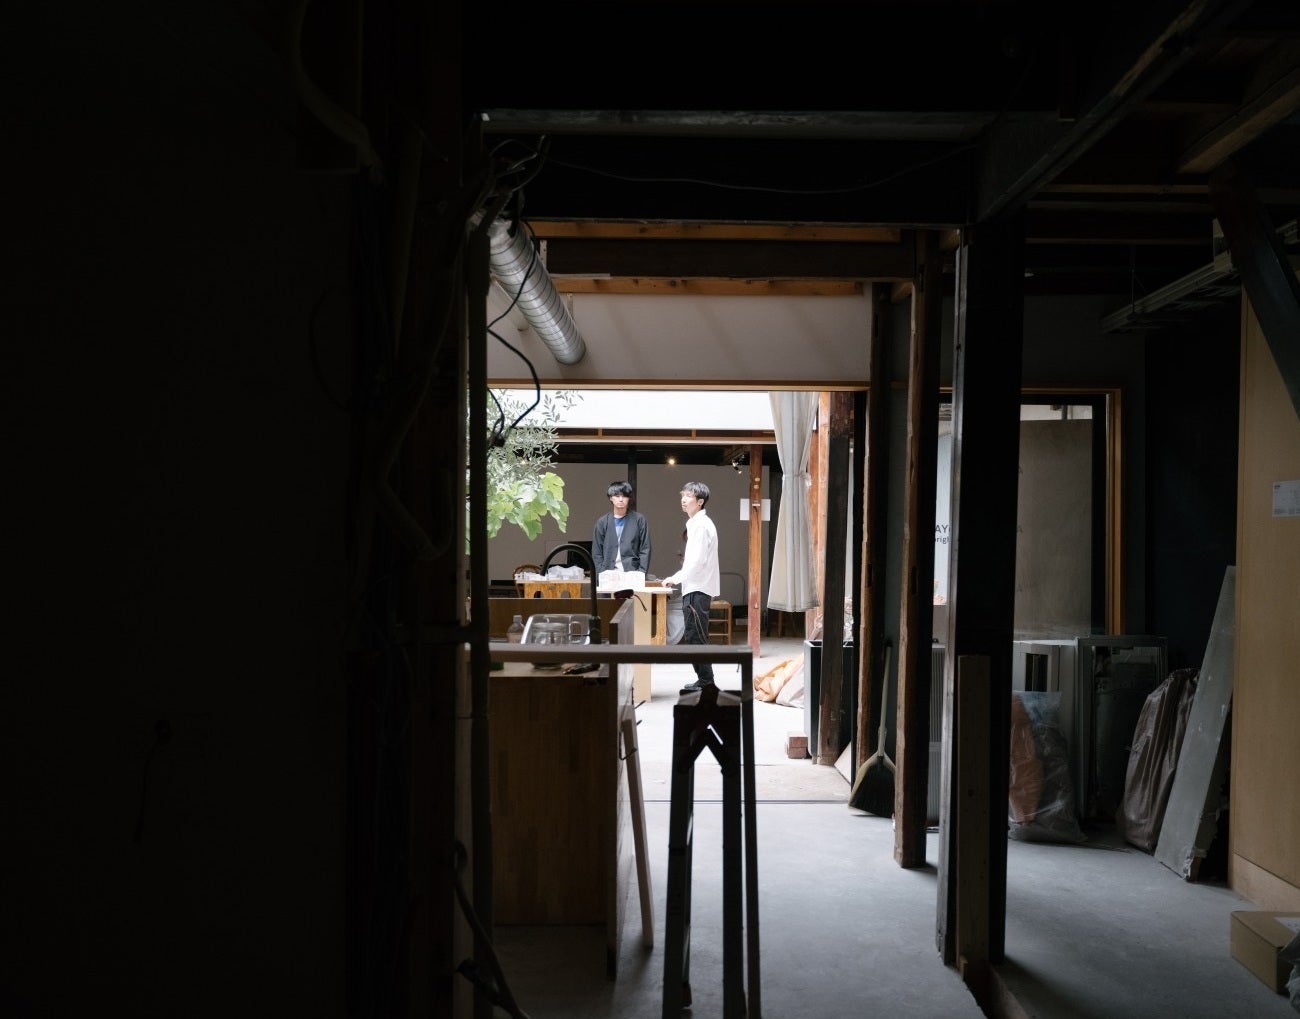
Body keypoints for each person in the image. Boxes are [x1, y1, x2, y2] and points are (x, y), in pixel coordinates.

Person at [662, 481, 720, 691]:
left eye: (689, 496)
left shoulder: (701, 525)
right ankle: (704, 680)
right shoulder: (696, 523)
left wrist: (675, 578)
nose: (684, 500)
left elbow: (697, 561)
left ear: (700, 501)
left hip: (698, 587)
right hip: (696, 586)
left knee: (696, 636)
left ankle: (706, 681)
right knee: (695, 635)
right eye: (683, 495)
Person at [592, 480, 651, 576]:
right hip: (608, 572)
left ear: (629, 498)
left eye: (624, 496)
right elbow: (597, 551)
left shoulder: (639, 520)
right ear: (611, 498)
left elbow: (645, 548)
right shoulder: (602, 522)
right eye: (617, 496)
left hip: (632, 572)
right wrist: (601, 573)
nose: (621, 499)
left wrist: (641, 572)